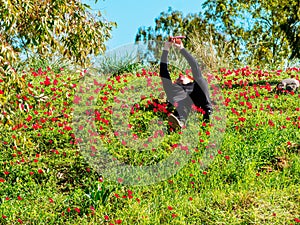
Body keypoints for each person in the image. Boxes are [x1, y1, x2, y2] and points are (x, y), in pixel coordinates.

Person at [159, 38, 213, 129]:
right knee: (181, 102)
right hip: (182, 104)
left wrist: (181, 49)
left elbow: (194, 66)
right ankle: (179, 122)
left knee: (200, 80)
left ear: (190, 79)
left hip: (198, 101)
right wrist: (166, 48)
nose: (180, 75)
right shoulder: (172, 88)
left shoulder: (194, 85)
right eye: (177, 78)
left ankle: (208, 112)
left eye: (184, 75)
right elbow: (163, 71)